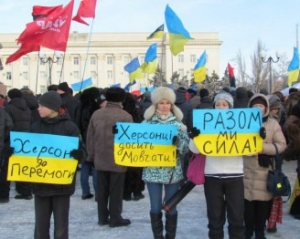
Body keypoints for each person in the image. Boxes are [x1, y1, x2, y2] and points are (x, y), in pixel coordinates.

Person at [189, 91, 245, 239]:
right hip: (212, 175)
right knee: (215, 219)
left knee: (237, 218)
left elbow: (252, 150)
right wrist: (195, 137)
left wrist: (259, 136)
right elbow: (194, 149)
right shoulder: (206, 125)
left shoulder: (239, 125)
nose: (221, 107)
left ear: (230, 107)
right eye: (218, 104)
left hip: (235, 176)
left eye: (224, 104)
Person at [30, 91, 85, 239]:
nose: (38, 108)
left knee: (61, 228)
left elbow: (82, 150)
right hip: (40, 184)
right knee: (40, 228)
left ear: (52, 107)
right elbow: (26, 150)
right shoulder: (35, 126)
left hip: (61, 185)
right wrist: (12, 152)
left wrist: (79, 154)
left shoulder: (69, 127)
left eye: (41, 106)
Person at [142, 86, 189, 239]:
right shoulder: (146, 124)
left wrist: (178, 143)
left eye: (167, 103)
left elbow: (186, 148)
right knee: (155, 208)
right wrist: (120, 134)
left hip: (172, 173)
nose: (164, 106)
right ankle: (158, 237)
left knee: (171, 208)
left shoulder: (178, 124)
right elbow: (135, 143)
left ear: (172, 105)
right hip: (152, 172)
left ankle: (170, 236)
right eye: (161, 103)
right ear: (155, 105)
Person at [86, 87, 133, 228]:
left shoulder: (97, 114)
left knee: (102, 190)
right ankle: (115, 217)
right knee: (116, 191)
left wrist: (91, 155)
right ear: (122, 99)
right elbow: (130, 140)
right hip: (119, 158)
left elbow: (90, 137)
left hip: (100, 157)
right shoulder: (125, 116)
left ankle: (102, 217)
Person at [243, 93, 286, 239]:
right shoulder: (243, 122)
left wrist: (263, 148)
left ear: (266, 108)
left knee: (262, 208)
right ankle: (248, 231)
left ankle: (260, 232)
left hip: (265, 173)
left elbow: (281, 145)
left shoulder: (273, 124)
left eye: (261, 106)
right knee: (247, 208)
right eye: (255, 105)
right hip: (246, 172)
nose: (258, 108)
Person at [5, 88, 32, 200]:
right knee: (24, 166)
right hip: (26, 139)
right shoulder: (27, 108)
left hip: (13, 139)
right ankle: (26, 192)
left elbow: (7, 124)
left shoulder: (8, 108)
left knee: (11, 166)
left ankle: (14, 192)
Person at [0, 107, 14, 203]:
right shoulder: (2, 110)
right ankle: (3, 196)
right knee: (3, 171)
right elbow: (10, 126)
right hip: (1, 144)